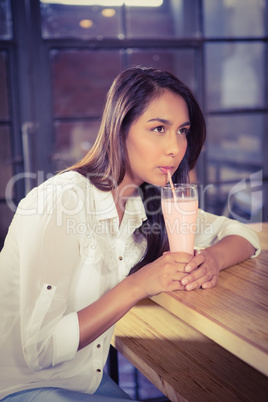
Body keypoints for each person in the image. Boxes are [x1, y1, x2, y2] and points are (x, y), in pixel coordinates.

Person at [0, 67, 260, 401]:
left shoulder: (148, 202)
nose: (175, 147)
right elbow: (40, 349)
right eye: (158, 128)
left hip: (85, 382)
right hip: (23, 387)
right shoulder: (61, 201)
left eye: (182, 130)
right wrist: (140, 284)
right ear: (120, 128)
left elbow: (242, 235)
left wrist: (212, 259)